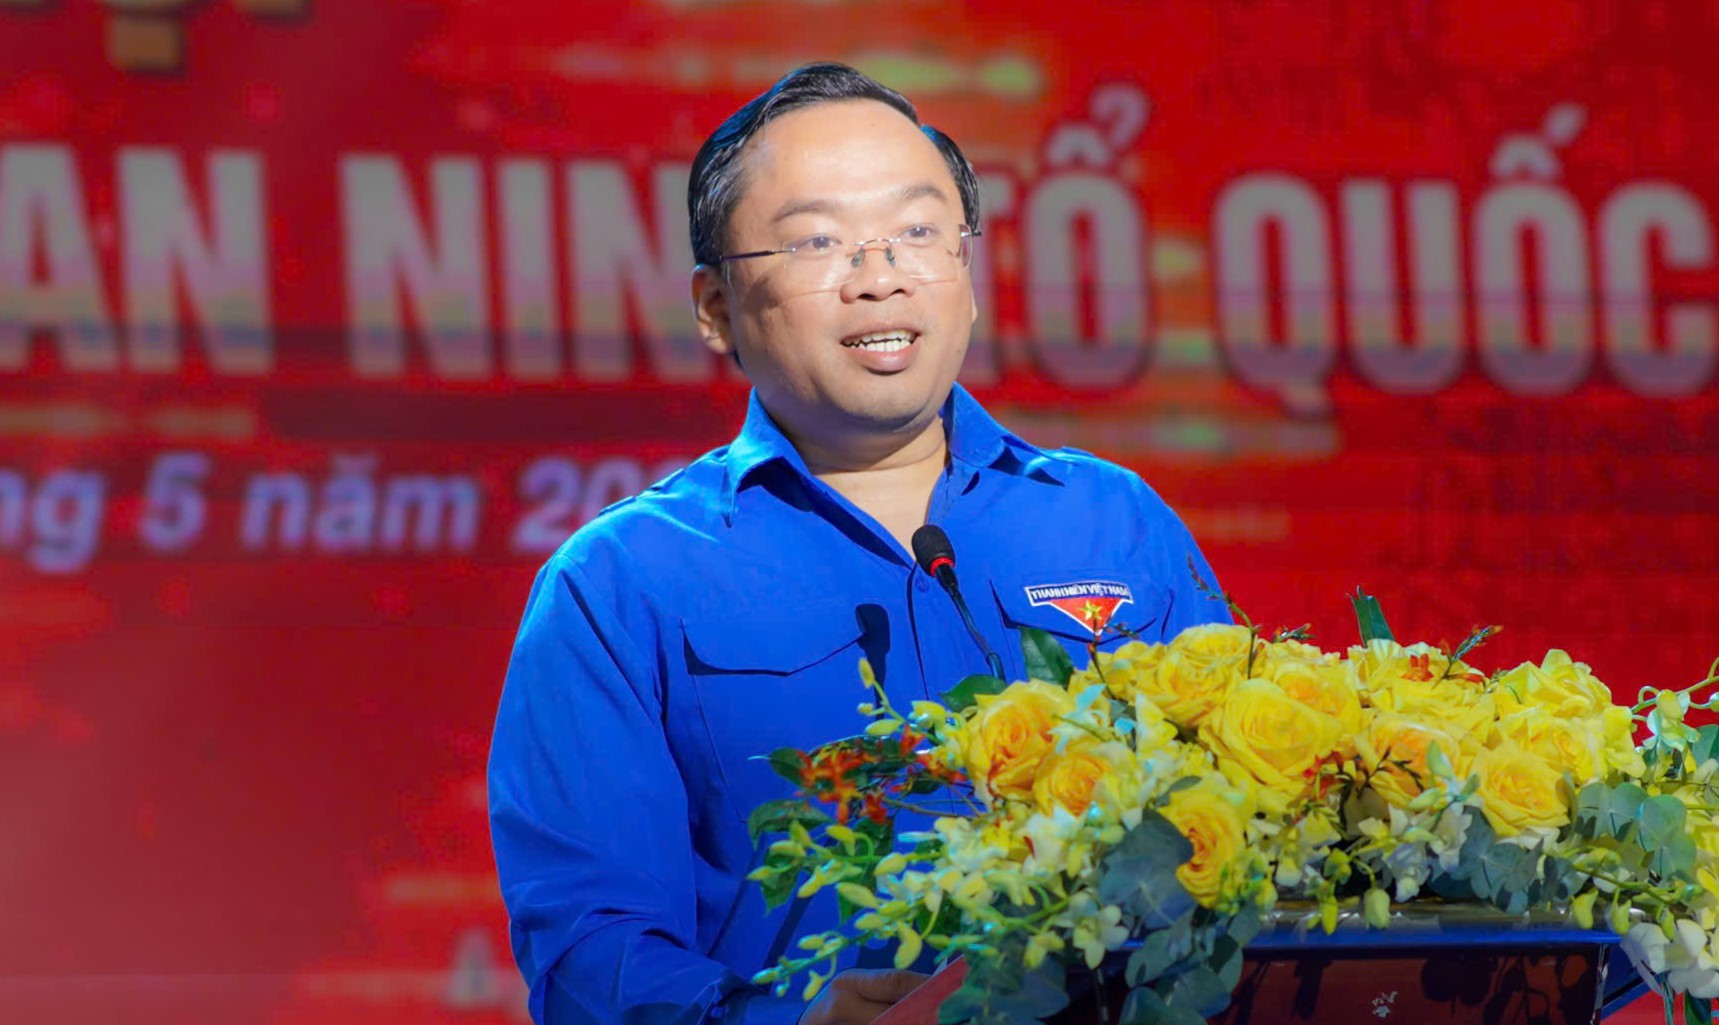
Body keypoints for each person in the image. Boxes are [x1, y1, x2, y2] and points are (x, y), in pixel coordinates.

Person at [488, 62, 1232, 1025]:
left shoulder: (1112, 520)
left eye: (918, 231)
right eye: (817, 242)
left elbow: (1248, 833)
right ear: (716, 308)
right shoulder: (622, 583)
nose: (879, 278)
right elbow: (588, 950)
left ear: (967, 272)